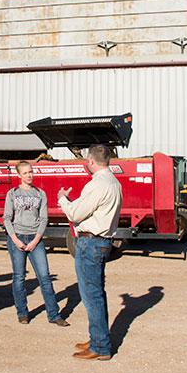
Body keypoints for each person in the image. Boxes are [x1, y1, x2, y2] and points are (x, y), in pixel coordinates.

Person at [58, 145, 122, 361]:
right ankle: (98, 338)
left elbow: (76, 212)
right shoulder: (113, 182)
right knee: (97, 294)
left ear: (92, 161)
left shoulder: (98, 184)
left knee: (91, 296)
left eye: (87, 160)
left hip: (91, 244)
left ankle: (101, 346)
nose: (86, 164)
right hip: (102, 242)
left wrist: (62, 199)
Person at [4, 161, 70, 327]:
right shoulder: (12, 194)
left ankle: (54, 314)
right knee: (19, 277)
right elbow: (6, 218)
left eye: (31, 172)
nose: (29, 175)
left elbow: (44, 219)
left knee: (45, 277)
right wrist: (15, 240)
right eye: (25, 173)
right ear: (19, 175)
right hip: (17, 238)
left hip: (35, 239)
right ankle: (22, 313)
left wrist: (35, 240)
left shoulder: (40, 194)